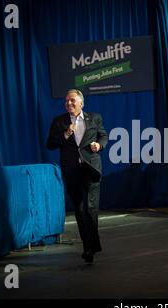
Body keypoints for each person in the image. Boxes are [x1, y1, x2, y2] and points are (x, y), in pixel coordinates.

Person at [46, 89, 108, 264]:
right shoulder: (59, 122)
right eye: (66, 101)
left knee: (90, 208)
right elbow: (50, 144)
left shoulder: (94, 118)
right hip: (72, 171)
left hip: (91, 169)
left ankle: (88, 248)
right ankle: (91, 245)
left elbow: (103, 136)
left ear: (81, 103)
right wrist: (65, 134)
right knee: (80, 210)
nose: (69, 103)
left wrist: (99, 145)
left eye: (72, 100)